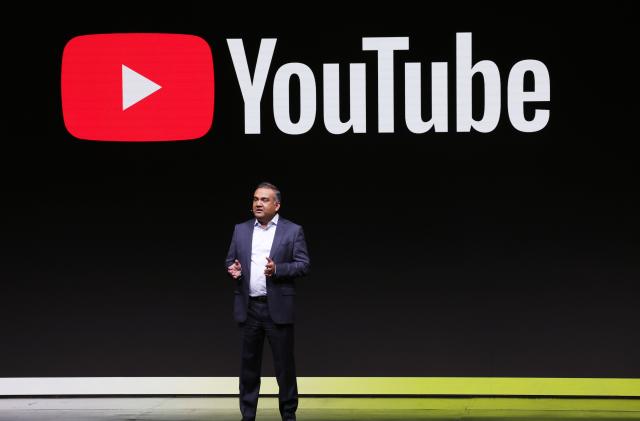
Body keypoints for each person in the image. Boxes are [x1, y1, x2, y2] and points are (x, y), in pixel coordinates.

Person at [225, 182, 311, 421]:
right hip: (249, 307)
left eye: (264, 200)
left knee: (284, 368)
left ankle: (288, 415)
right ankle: (248, 415)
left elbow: (303, 265)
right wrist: (233, 269)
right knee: (248, 368)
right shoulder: (240, 230)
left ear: (277, 205)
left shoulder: (292, 231)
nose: (258, 204)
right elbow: (231, 260)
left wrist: (278, 269)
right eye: (255, 199)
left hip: (278, 309)